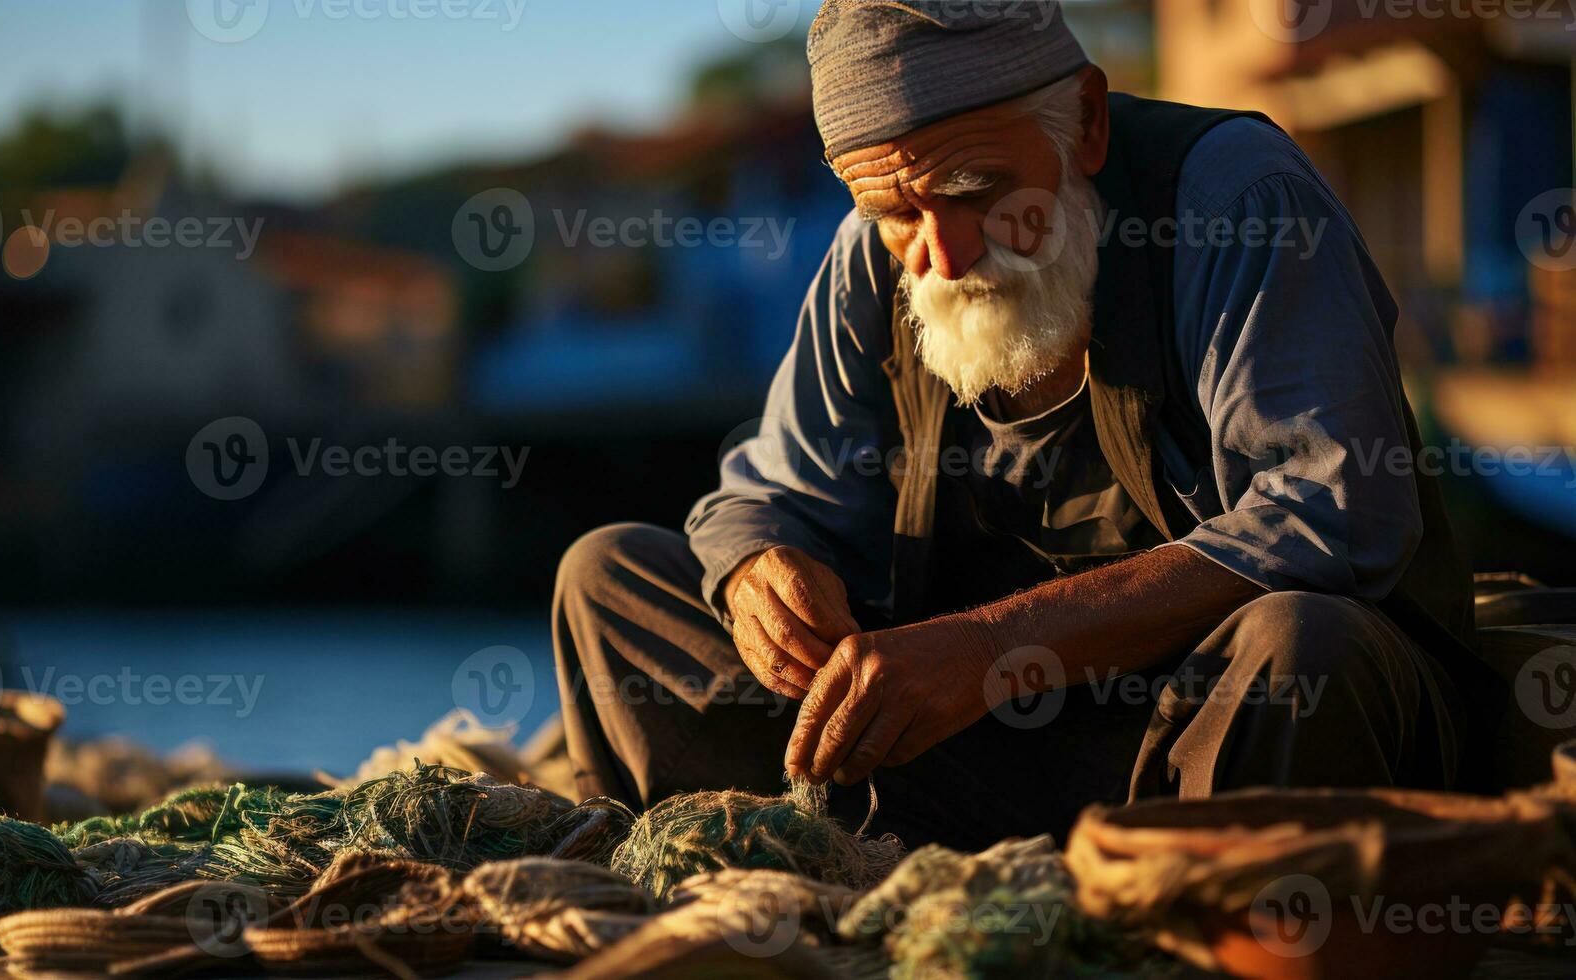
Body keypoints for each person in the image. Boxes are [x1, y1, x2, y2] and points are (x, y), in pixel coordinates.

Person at [552, 0, 1482, 849]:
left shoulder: (1233, 200)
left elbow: (1332, 511)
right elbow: (771, 488)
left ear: (1085, 121)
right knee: (613, 579)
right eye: (894, 211)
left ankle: (1191, 903)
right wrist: (759, 568)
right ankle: (794, 864)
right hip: (971, 750)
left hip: (1201, 743)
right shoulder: (872, 261)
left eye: (977, 186)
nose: (944, 254)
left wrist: (996, 651)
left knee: (1299, 641)